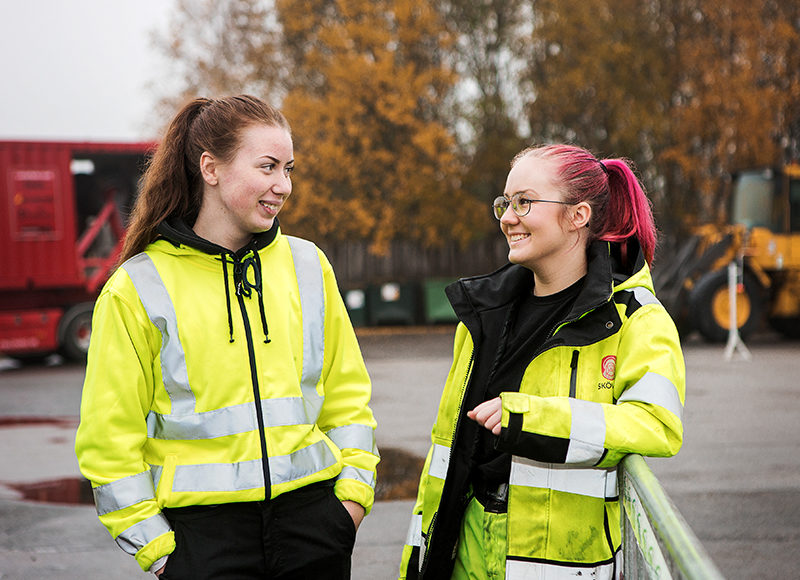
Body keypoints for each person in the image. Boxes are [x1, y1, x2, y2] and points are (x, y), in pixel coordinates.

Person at [75, 95, 379, 579]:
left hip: (315, 530)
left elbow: (347, 398)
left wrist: (350, 503)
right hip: (204, 545)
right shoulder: (137, 287)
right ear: (210, 168)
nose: (284, 185)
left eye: (289, 168)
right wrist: (159, 550)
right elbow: (108, 441)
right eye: (267, 167)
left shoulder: (308, 266)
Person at [399, 144, 685, 579]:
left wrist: (535, 416)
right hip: (461, 551)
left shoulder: (634, 319)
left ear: (578, 215)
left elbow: (657, 425)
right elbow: (445, 457)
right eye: (504, 203)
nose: (507, 217)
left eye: (524, 202)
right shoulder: (481, 316)